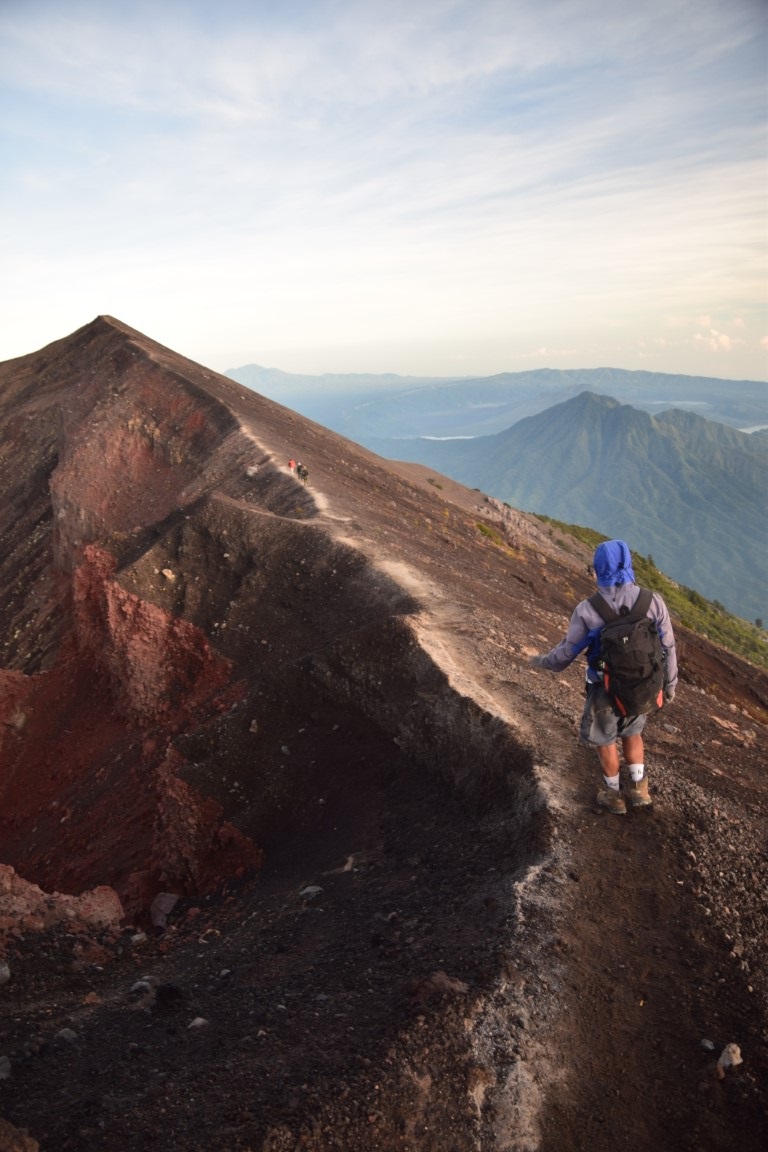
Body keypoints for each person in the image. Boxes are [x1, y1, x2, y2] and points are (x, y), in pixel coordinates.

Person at [529, 539, 677, 814]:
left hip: (603, 689)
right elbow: (668, 646)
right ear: (629, 564)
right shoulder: (653, 601)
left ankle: (613, 796)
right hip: (642, 686)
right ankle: (639, 789)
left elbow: (567, 651)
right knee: (633, 732)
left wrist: (544, 662)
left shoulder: (588, 609)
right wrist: (669, 684)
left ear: (598, 569)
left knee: (605, 738)